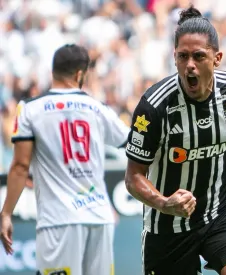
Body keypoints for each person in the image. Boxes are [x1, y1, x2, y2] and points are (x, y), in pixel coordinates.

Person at [124, 5, 226, 275]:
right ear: (175, 58)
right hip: (168, 225)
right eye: (183, 56)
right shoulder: (155, 106)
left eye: (198, 56)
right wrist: (164, 202)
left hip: (223, 210)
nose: (190, 65)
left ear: (217, 58)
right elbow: (133, 177)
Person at [0, 44, 130, 275]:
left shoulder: (30, 109)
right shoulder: (98, 108)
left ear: (53, 72)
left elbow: (20, 166)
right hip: (100, 218)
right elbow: (133, 143)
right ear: (80, 74)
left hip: (58, 221)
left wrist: (6, 213)